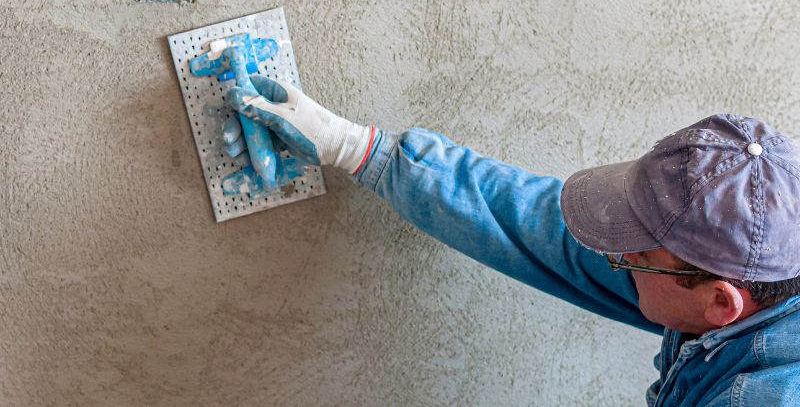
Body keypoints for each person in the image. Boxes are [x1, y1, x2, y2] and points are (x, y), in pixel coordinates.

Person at [223, 74, 800, 406]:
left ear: (722, 303)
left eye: (634, 255)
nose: (613, 258)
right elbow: (540, 226)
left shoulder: (759, 396)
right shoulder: (749, 268)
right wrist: (355, 148)